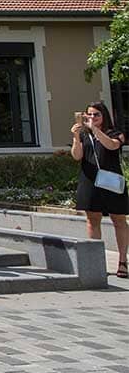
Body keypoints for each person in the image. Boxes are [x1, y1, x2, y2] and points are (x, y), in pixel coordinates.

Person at [71, 102, 127, 278]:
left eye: (96, 115)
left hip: (111, 181)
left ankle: (123, 261)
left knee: (119, 220)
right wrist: (75, 136)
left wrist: (95, 130)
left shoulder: (115, 133)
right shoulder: (83, 134)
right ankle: (96, 262)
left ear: (104, 116)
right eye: (89, 115)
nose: (92, 118)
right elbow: (77, 156)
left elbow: (112, 145)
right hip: (90, 180)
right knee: (92, 219)